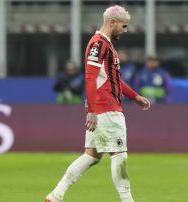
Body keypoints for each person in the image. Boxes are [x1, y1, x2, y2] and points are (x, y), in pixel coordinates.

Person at [45, 5, 151, 202]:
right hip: (106, 108)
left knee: (91, 156)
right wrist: (92, 112)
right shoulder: (99, 44)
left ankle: (55, 195)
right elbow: (90, 77)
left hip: (103, 107)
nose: (125, 30)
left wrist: (134, 96)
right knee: (119, 155)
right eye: (124, 26)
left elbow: (113, 79)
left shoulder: (106, 44)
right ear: (112, 23)